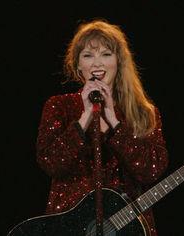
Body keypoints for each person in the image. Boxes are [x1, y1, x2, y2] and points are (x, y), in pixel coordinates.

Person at [36, 19, 168, 235]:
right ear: (78, 66)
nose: (97, 63)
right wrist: (85, 117)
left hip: (127, 228)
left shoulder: (144, 113)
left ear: (118, 61)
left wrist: (114, 123)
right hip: (72, 228)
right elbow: (51, 164)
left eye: (106, 54)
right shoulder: (59, 106)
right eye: (88, 55)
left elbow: (150, 171)